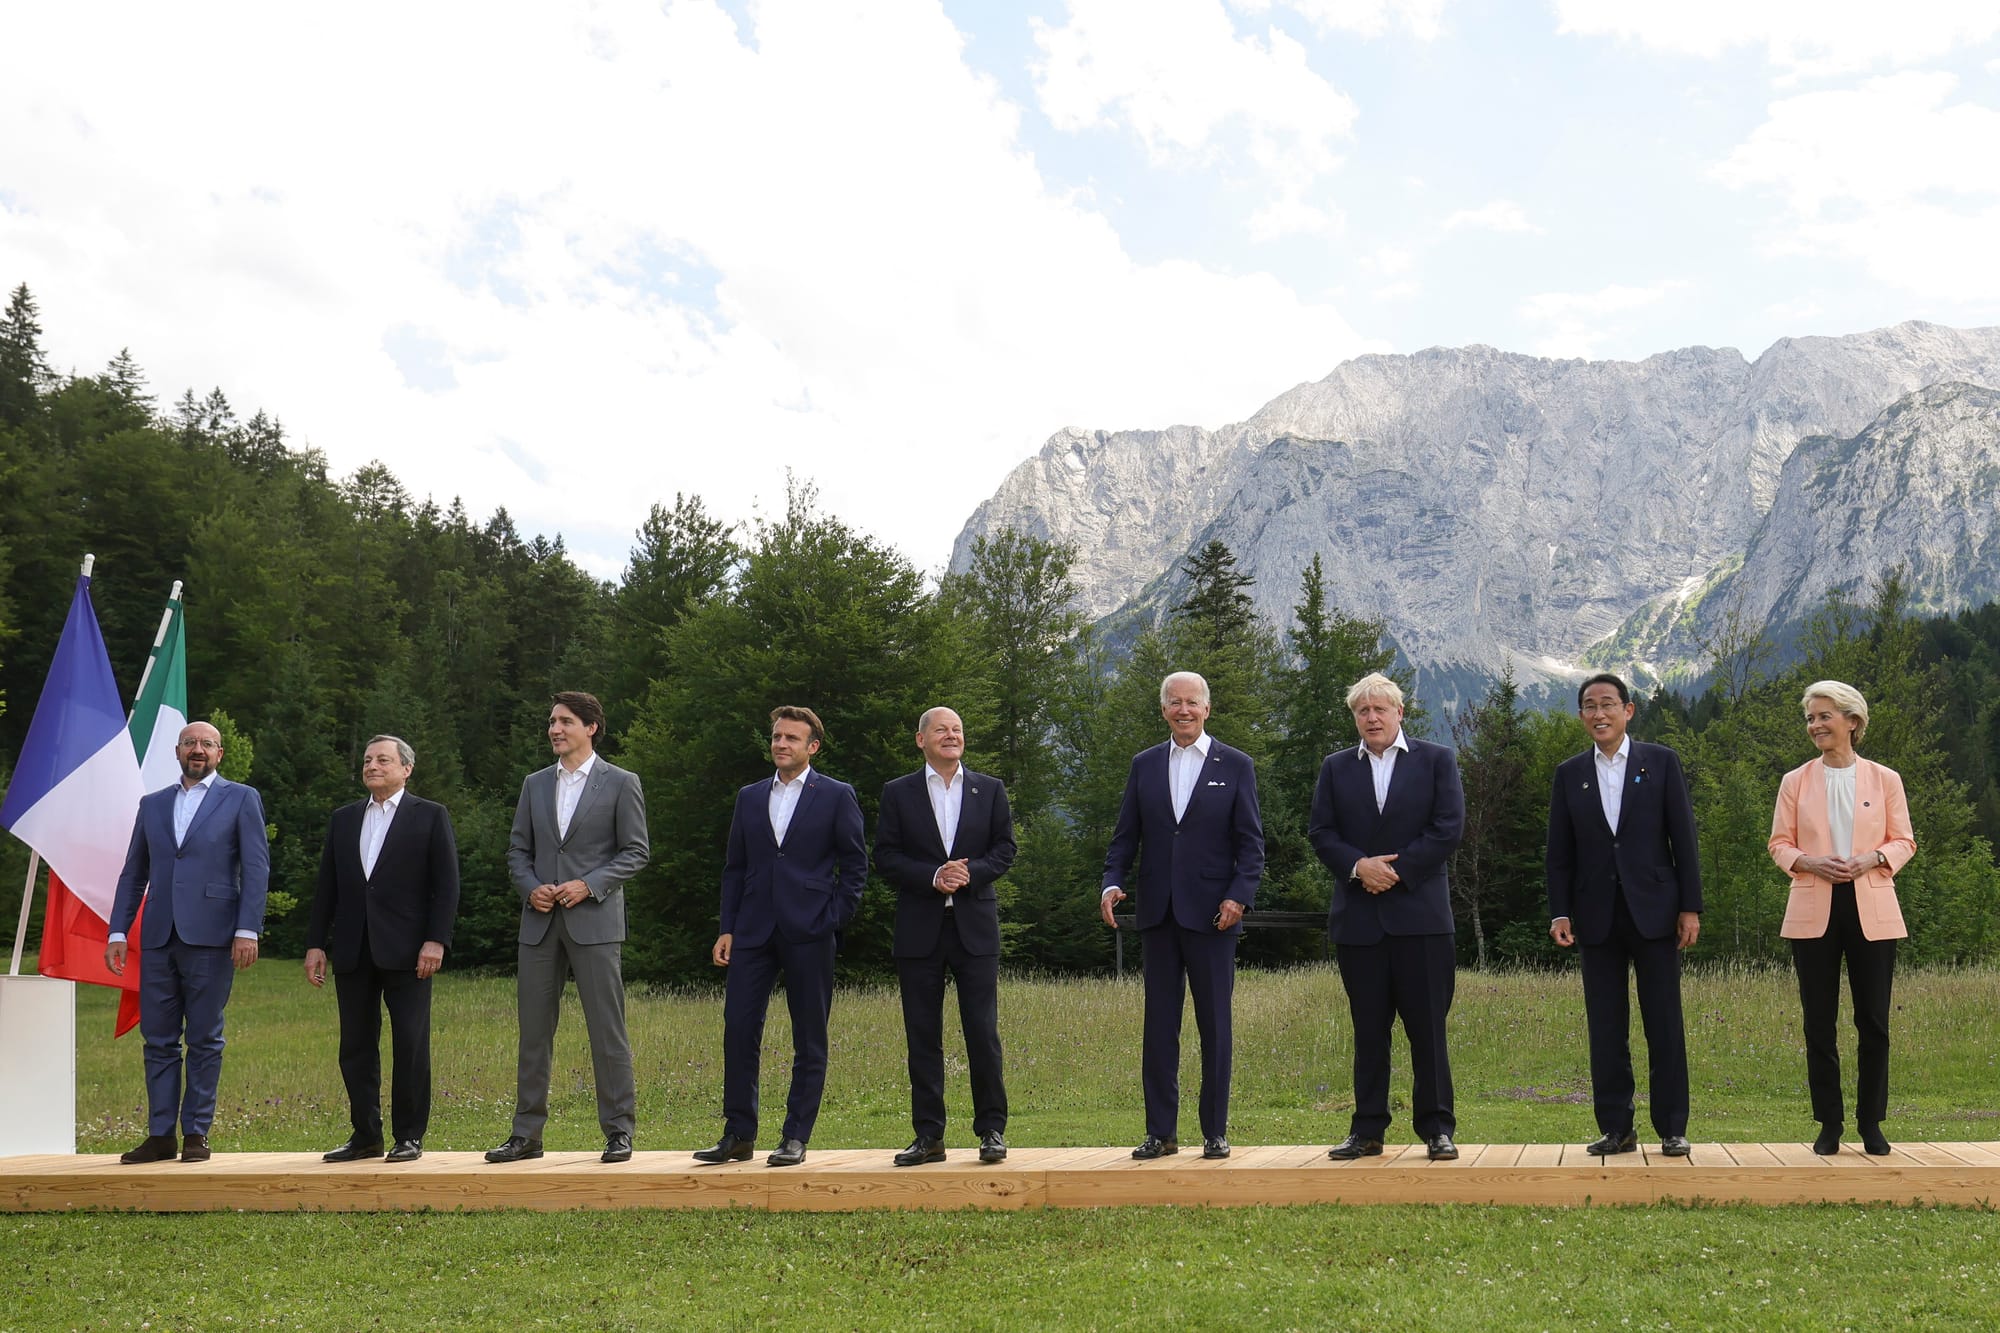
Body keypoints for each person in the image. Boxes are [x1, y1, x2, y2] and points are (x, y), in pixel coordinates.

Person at [1100, 671, 1264, 1161]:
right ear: (1164, 709)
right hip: (1158, 915)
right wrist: (1111, 882)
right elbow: (1125, 837)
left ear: (1207, 709)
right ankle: (1161, 1133)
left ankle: (1215, 1131)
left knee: (1215, 1025)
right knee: (1159, 1026)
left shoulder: (1235, 765)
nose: (1184, 710)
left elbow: (1251, 845)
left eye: (1193, 702)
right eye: (1175, 703)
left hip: (1215, 917)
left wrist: (1239, 896)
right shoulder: (1145, 764)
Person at [695, 706, 867, 1168]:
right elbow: (735, 868)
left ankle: (795, 1136)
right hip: (752, 929)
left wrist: (832, 918)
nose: (781, 743)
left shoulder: (835, 795)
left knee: (809, 1034)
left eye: (792, 737)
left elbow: (854, 867)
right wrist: (727, 927)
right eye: (776, 736)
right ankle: (738, 1134)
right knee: (739, 1029)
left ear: (812, 747)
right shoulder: (749, 797)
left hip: (810, 929)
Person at [486, 691, 650, 1166]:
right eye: (552, 722)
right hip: (538, 925)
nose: (555, 729)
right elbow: (517, 850)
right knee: (534, 1033)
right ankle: (526, 1135)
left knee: (607, 1031)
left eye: (564, 722)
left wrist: (589, 885)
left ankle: (619, 1132)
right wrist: (530, 887)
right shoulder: (534, 784)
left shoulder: (621, 783)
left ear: (590, 727)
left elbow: (636, 851)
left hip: (595, 923)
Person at [1309, 673, 1465, 1162]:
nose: (1372, 718)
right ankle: (1367, 1131)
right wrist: (1359, 867)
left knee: (1428, 1031)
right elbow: (1321, 832)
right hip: (1360, 924)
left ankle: (1437, 1129)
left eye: (1380, 709)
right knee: (1368, 1031)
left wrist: (1394, 872)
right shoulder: (1336, 768)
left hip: (1421, 919)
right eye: (1362, 711)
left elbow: (1448, 828)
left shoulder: (1437, 760)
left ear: (1400, 713)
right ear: (1355, 718)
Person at [1546, 673, 1701, 1158]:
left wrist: (1690, 907)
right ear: (1581, 716)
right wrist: (1559, 912)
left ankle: (1672, 1127)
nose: (1599, 714)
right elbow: (1559, 853)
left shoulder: (1661, 762)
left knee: (1664, 1023)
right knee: (1606, 1027)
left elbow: (1684, 840)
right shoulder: (1569, 773)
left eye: (1608, 704)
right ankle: (1617, 1128)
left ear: (1628, 710)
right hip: (1595, 916)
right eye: (1589, 706)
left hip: (1655, 912)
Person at [104, 721, 270, 1164]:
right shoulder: (153, 804)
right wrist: (119, 930)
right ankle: (160, 1134)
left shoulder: (240, 798)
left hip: (214, 937)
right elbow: (133, 870)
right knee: (157, 1039)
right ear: (177, 751)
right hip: (158, 936)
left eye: (207, 744)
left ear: (219, 753)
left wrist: (247, 929)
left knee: (204, 1037)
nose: (198, 750)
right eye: (190, 743)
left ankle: (196, 1132)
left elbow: (256, 868)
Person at [1769, 680, 1914, 1157]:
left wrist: (1872, 858)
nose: (1815, 726)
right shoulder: (1795, 781)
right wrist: (1810, 862)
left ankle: (1871, 1122)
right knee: (1818, 1022)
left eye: (1824, 716)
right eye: (1810, 718)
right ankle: (1829, 1123)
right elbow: (1779, 844)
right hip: (1814, 908)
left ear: (1853, 721)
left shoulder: (1885, 779)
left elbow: (1904, 842)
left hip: (1872, 908)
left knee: (1873, 1020)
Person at [304, 735, 462, 1164]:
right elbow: (328, 887)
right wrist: (317, 943)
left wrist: (436, 940)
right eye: (368, 759)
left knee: (410, 1043)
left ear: (406, 769)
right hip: (354, 949)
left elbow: (445, 886)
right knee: (355, 1045)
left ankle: (408, 1135)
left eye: (383, 760)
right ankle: (365, 1136)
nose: (372, 765)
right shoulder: (344, 819)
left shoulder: (430, 816)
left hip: (411, 951)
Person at [874, 706, 1017, 1166]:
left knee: (982, 1032)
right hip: (920, 930)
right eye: (942, 730)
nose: (951, 736)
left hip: (975, 928)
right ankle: (928, 1136)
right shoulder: (898, 793)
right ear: (921, 740)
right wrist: (933, 875)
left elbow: (1005, 850)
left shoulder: (989, 789)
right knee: (923, 1036)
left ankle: (992, 1131)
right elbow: (886, 857)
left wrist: (968, 873)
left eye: (958, 729)